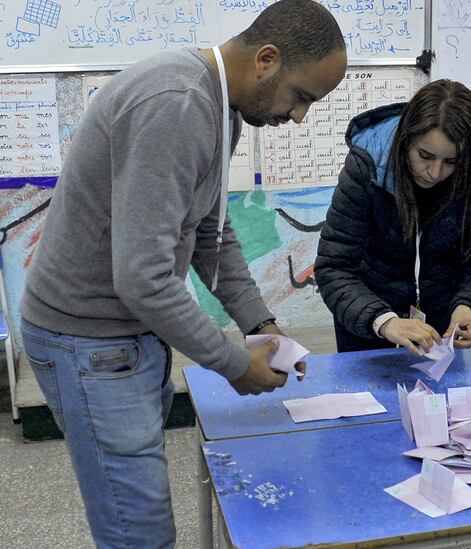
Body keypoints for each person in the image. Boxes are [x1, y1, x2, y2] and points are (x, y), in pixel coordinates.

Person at [19, 1, 346, 546]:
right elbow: (143, 277)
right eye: (302, 97)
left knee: (139, 521)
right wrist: (232, 361)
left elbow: (209, 233)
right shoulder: (177, 105)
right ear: (267, 59)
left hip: (124, 337)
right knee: (139, 534)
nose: (299, 117)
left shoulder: (221, 110)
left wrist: (261, 323)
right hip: (89, 341)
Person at [315, 79, 471, 356]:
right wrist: (385, 321)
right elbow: (334, 268)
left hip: (440, 330)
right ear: (406, 139)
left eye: (452, 162)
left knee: (436, 400)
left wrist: (468, 305)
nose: (435, 172)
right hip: (369, 325)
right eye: (425, 156)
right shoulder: (366, 167)